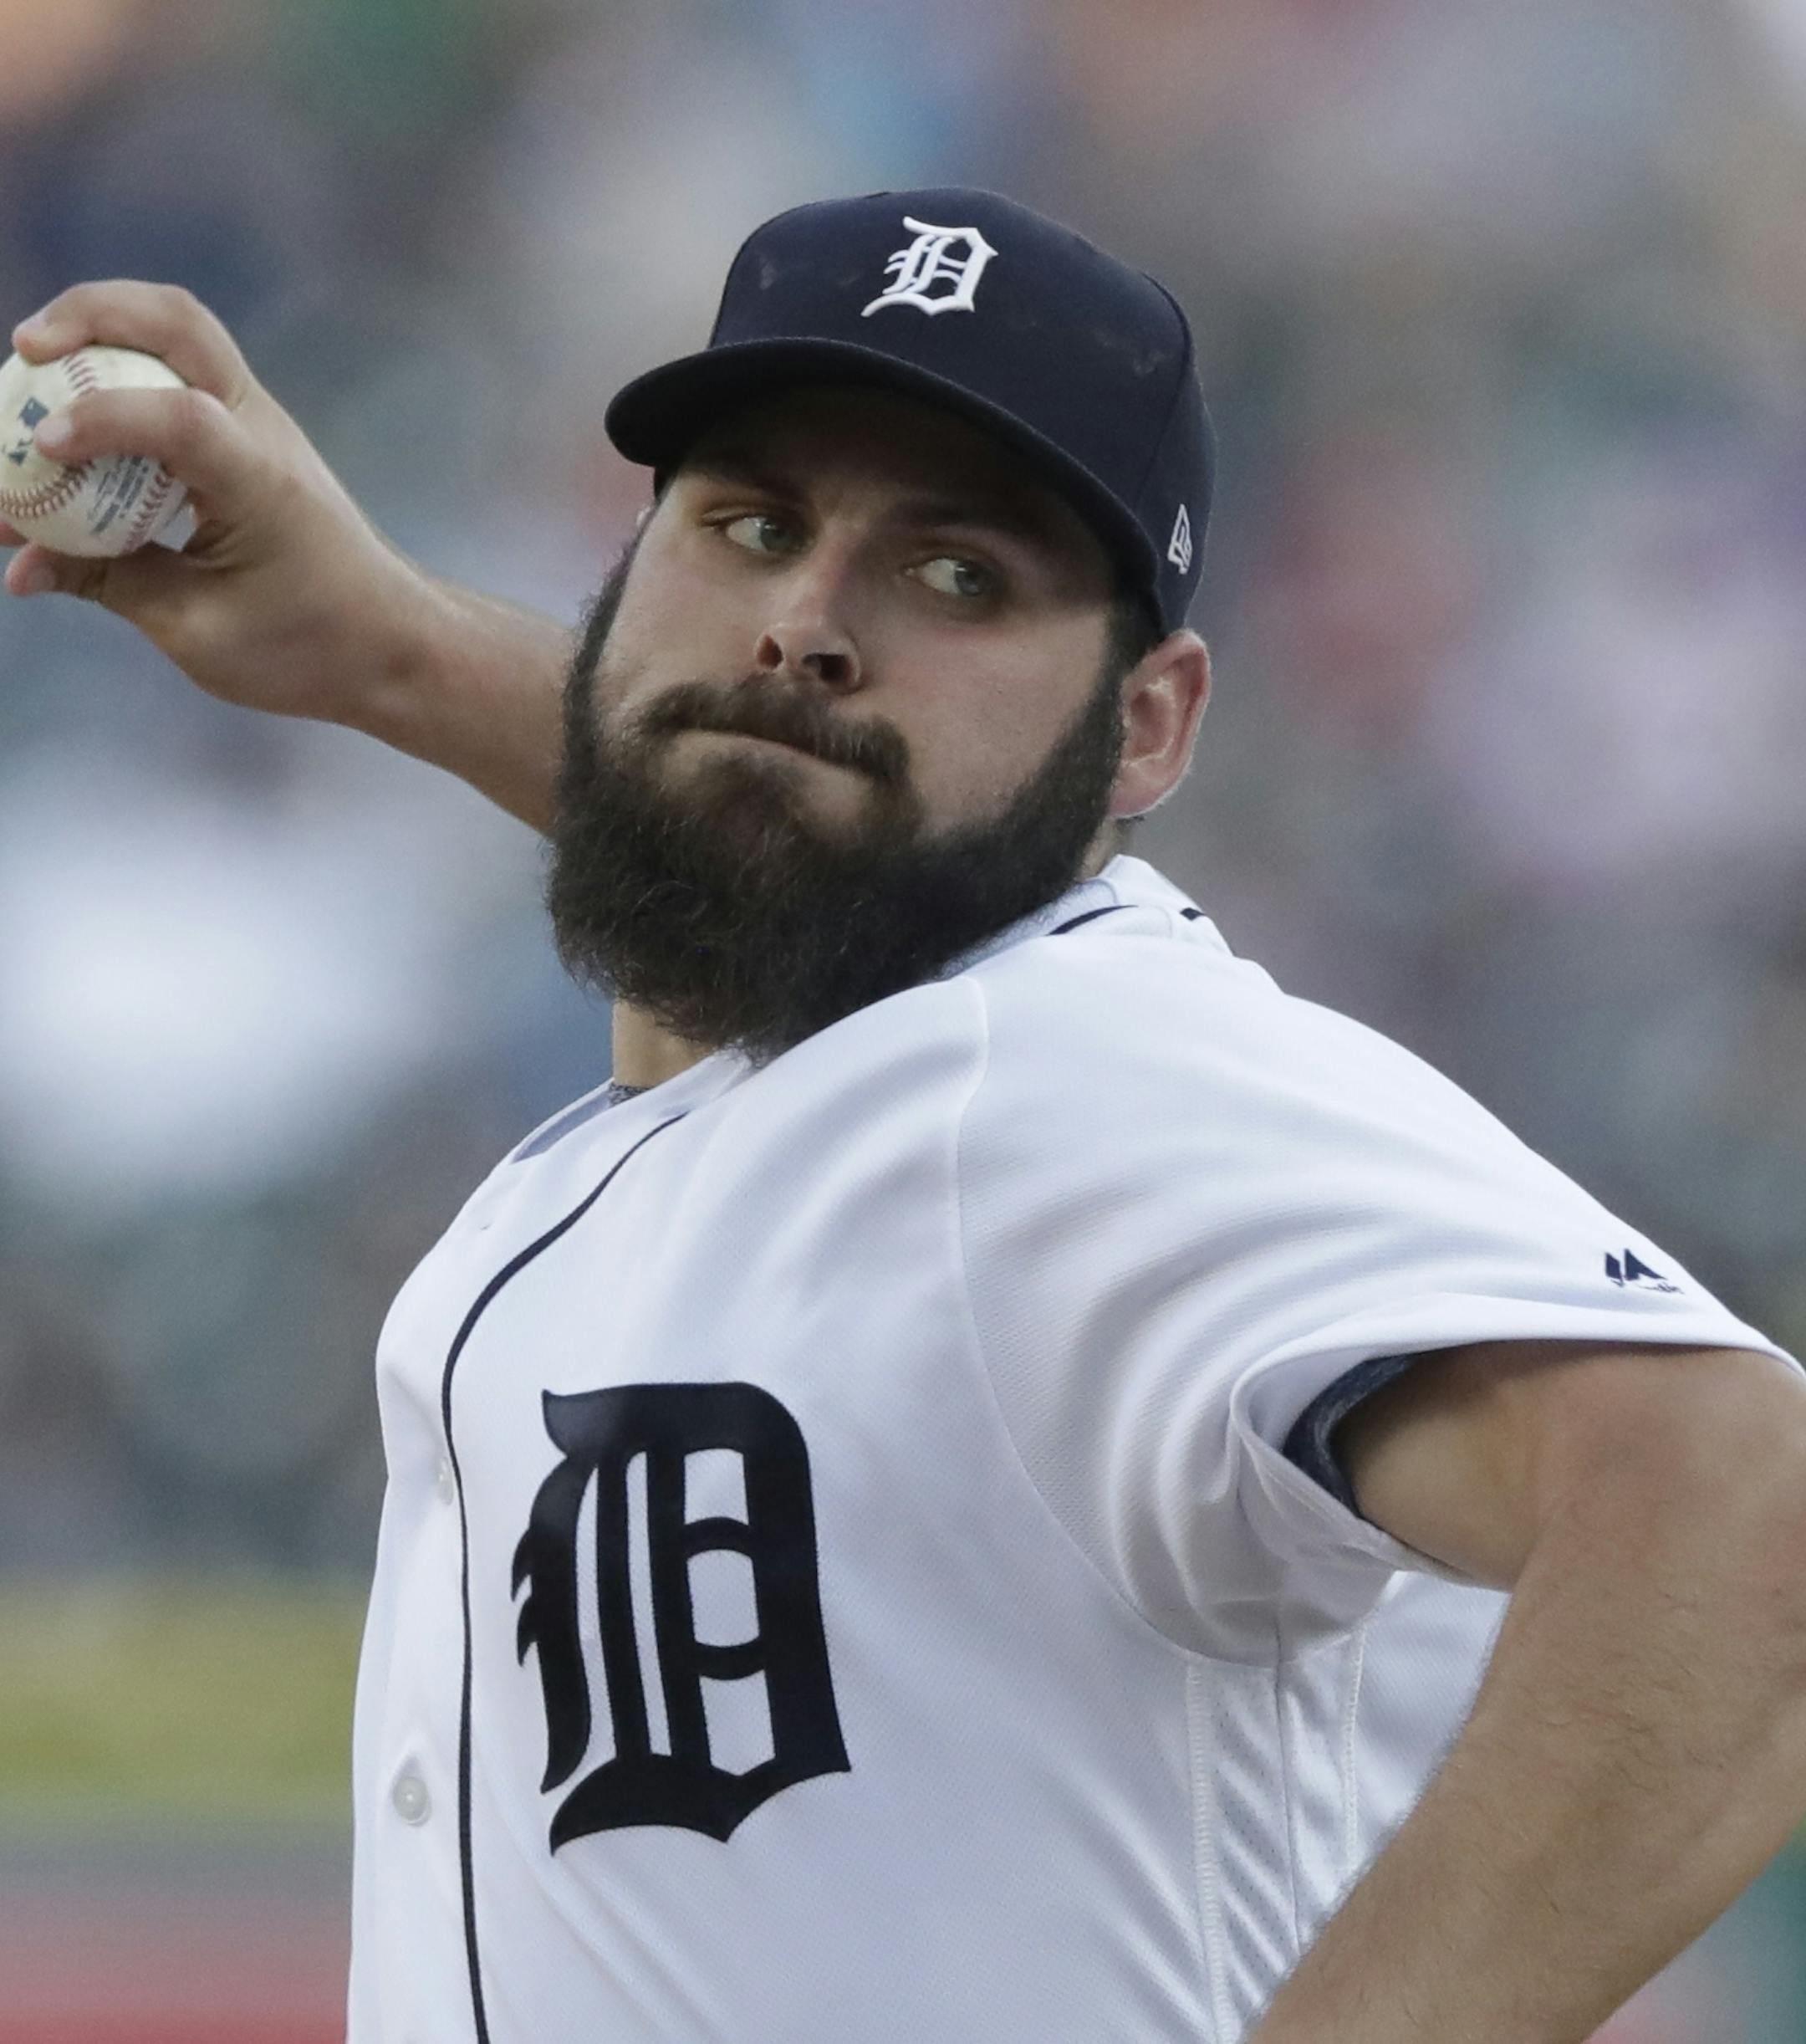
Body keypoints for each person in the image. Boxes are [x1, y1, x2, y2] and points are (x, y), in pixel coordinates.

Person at [6, 188, 1806, 2044]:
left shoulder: (1055, 1073)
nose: (804, 625)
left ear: (1151, 728)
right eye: (752, 524)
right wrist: (381, 643)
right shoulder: (834, 1067)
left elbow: (1744, 1516)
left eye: (962, 576)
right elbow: (768, 803)